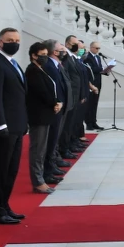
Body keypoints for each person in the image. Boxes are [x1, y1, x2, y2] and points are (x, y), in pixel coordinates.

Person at [0, 28, 28, 225]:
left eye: (17, 40)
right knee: (0, 169)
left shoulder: (12, 63)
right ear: (0, 42)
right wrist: (0, 124)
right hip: (5, 127)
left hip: (17, 125)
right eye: (10, 40)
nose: (15, 43)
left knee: (12, 169)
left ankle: (5, 205)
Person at [25, 41, 63, 194]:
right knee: (38, 150)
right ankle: (38, 181)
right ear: (34, 55)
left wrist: (56, 102)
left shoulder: (41, 69)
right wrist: (54, 102)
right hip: (38, 115)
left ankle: (41, 179)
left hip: (46, 114)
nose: (45, 58)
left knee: (42, 149)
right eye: (42, 55)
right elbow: (41, 91)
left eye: (47, 55)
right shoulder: (32, 71)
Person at [41, 42, 69, 184]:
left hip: (61, 106)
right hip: (55, 107)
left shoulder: (56, 64)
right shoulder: (49, 66)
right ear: (54, 52)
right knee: (50, 141)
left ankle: (51, 167)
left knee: (54, 140)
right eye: (61, 50)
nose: (64, 52)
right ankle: (47, 171)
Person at [83, 41, 106, 131]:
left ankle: (94, 122)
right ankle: (88, 123)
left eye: (99, 48)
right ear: (91, 47)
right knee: (89, 104)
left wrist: (105, 71)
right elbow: (91, 69)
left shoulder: (98, 57)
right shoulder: (87, 57)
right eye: (96, 48)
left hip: (98, 83)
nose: (98, 50)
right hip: (91, 83)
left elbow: (98, 69)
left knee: (94, 104)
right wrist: (102, 68)